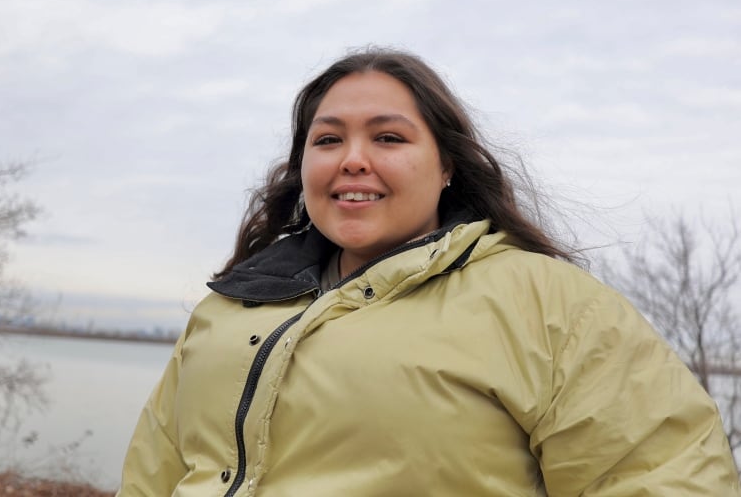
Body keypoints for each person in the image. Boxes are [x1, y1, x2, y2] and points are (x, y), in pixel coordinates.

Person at [117, 48, 740, 496]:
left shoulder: (548, 302)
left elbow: (664, 476)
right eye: (328, 140)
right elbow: (152, 476)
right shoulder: (228, 309)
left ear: (447, 167)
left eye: (388, 138)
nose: (353, 160)